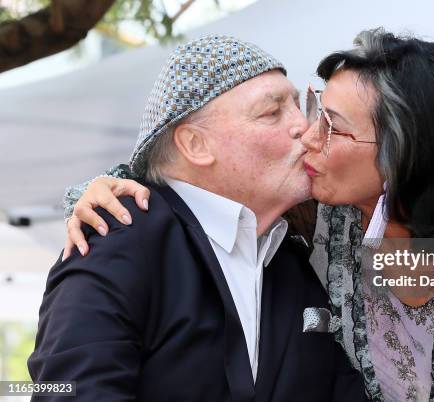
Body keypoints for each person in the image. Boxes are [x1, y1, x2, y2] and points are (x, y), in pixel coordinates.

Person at [62, 29, 434, 401]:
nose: (308, 133)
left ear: (402, 153)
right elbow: (191, 176)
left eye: (334, 125)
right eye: (311, 111)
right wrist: (100, 190)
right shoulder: (323, 214)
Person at [28, 34, 370, 402]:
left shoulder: (294, 261)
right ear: (195, 145)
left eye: (299, 106)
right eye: (272, 112)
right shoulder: (120, 238)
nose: (305, 127)